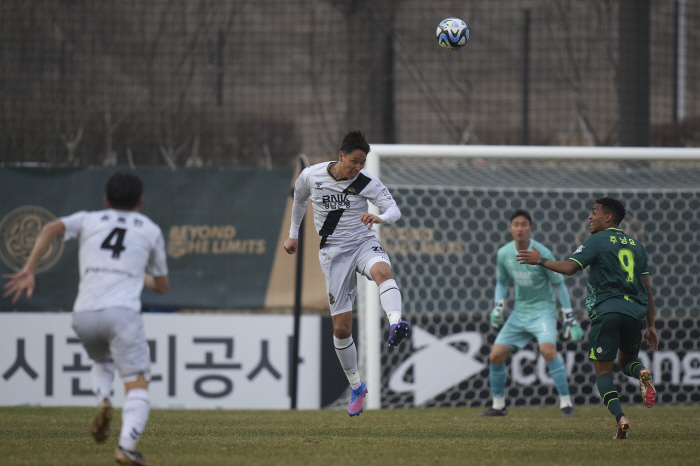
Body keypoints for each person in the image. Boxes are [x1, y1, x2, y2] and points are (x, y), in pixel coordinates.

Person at [3, 172, 168, 465]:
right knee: (137, 384)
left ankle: (103, 397)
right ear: (140, 202)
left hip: (84, 314)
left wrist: (29, 268)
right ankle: (126, 447)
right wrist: (135, 274)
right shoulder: (150, 229)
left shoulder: (89, 219)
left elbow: (52, 227)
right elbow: (161, 285)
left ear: (105, 200)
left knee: (101, 360)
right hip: (122, 313)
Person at [283, 130, 409, 417]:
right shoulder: (311, 176)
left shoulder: (366, 182)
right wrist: (293, 235)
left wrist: (379, 217)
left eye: (362, 162)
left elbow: (393, 209)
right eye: (354, 161)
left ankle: (395, 322)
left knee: (383, 272)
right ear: (340, 156)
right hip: (333, 254)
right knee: (341, 328)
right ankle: (356, 386)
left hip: (363, 243)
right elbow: (300, 200)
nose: (358, 167)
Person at [516, 197, 658, 440]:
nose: (590, 217)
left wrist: (540, 261)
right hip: (634, 313)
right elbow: (647, 289)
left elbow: (571, 268)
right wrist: (652, 325)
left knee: (603, 374)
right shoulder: (637, 246)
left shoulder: (597, 240)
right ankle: (642, 371)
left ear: (608, 217)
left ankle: (620, 418)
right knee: (627, 363)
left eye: (594, 212)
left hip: (607, 311)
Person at [478, 209, 583, 418]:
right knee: (496, 356)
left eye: (524, 224)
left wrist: (569, 317)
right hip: (519, 312)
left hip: (543, 311)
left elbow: (559, 285)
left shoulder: (542, 253)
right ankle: (498, 406)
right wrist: (498, 306)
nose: (520, 228)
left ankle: (566, 403)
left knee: (547, 350)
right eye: (516, 224)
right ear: (510, 228)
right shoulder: (504, 253)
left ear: (530, 228)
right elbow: (501, 282)